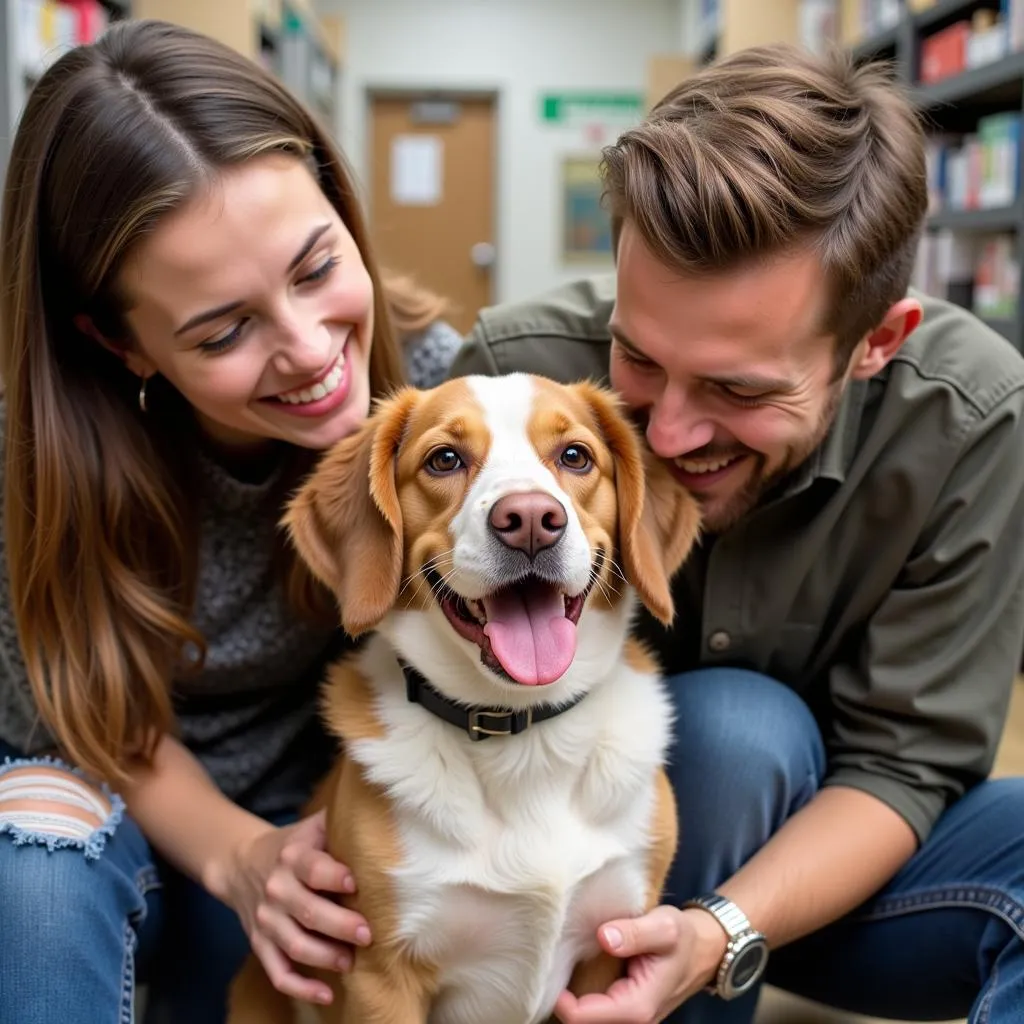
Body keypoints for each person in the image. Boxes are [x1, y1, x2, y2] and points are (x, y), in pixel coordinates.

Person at [450, 44, 1024, 1024]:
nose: (666, 432)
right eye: (637, 354)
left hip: (824, 878)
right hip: (555, 885)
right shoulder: (515, 383)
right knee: (735, 734)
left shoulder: (974, 422)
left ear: (877, 342)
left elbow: (903, 764)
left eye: (739, 389)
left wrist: (722, 929)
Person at [0, 18, 460, 1024]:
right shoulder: (30, 461)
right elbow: (79, 710)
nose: (308, 349)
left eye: (315, 267)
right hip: (105, 799)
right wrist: (236, 853)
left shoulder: (434, 397)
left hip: (308, 829)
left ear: (341, 201)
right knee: (28, 859)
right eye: (224, 331)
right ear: (118, 343)